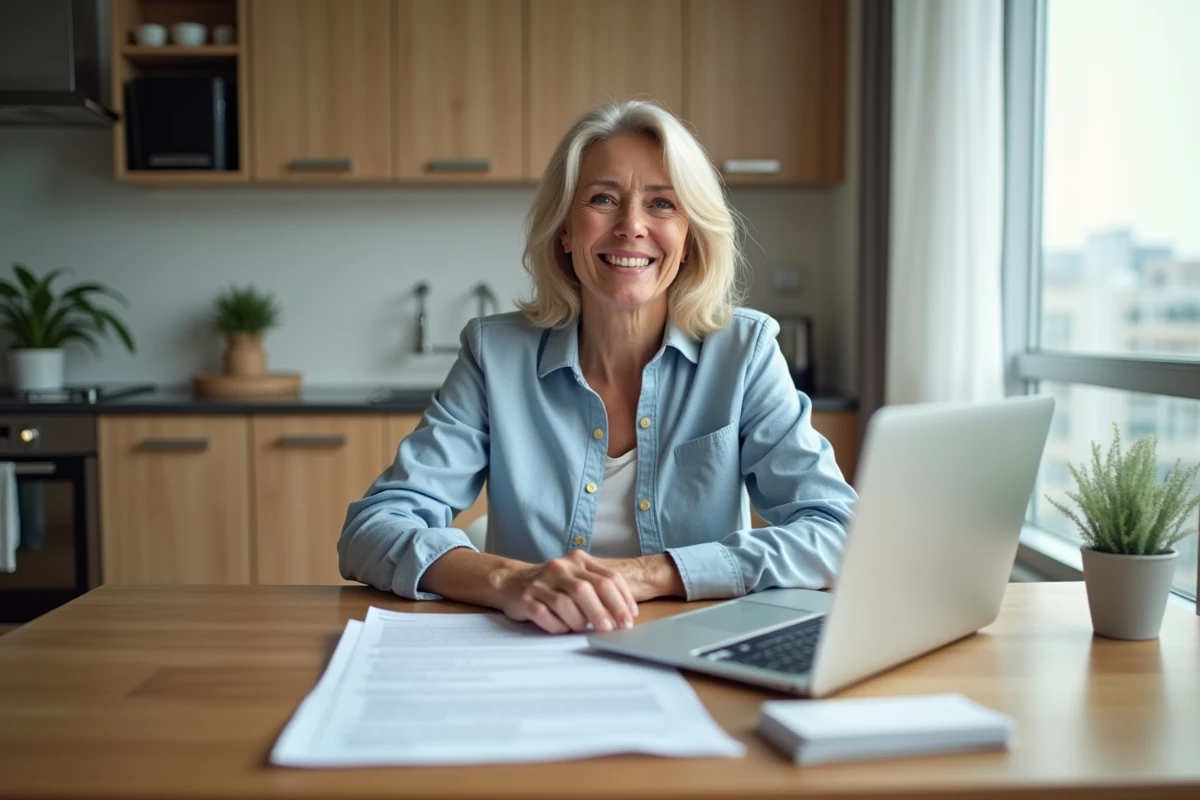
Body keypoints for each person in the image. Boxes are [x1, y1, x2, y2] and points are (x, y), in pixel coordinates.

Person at [339, 99, 857, 635]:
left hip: (696, 646)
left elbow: (837, 532)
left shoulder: (744, 352)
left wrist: (650, 574)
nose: (631, 226)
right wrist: (506, 581)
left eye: (661, 204)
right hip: (533, 650)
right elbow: (372, 529)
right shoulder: (495, 356)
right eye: (603, 199)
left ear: (690, 240)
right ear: (565, 230)